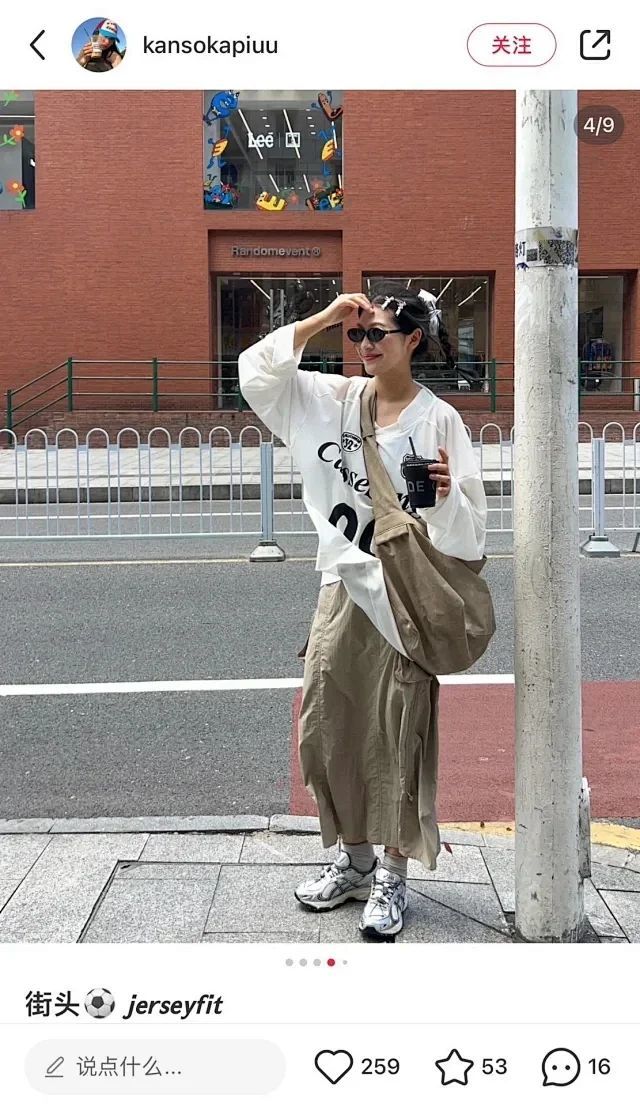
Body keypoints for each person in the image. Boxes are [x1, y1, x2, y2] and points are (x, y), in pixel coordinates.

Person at [238, 282, 487, 939]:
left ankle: (392, 876)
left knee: (399, 736)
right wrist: (323, 318)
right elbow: (256, 372)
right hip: (341, 585)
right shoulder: (331, 400)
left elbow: (470, 540)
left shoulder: (440, 421)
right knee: (327, 728)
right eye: (358, 333)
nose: (364, 344)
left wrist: (444, 501)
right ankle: (353, 861)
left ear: (413, 340)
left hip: (406, 598)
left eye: (377, 333)